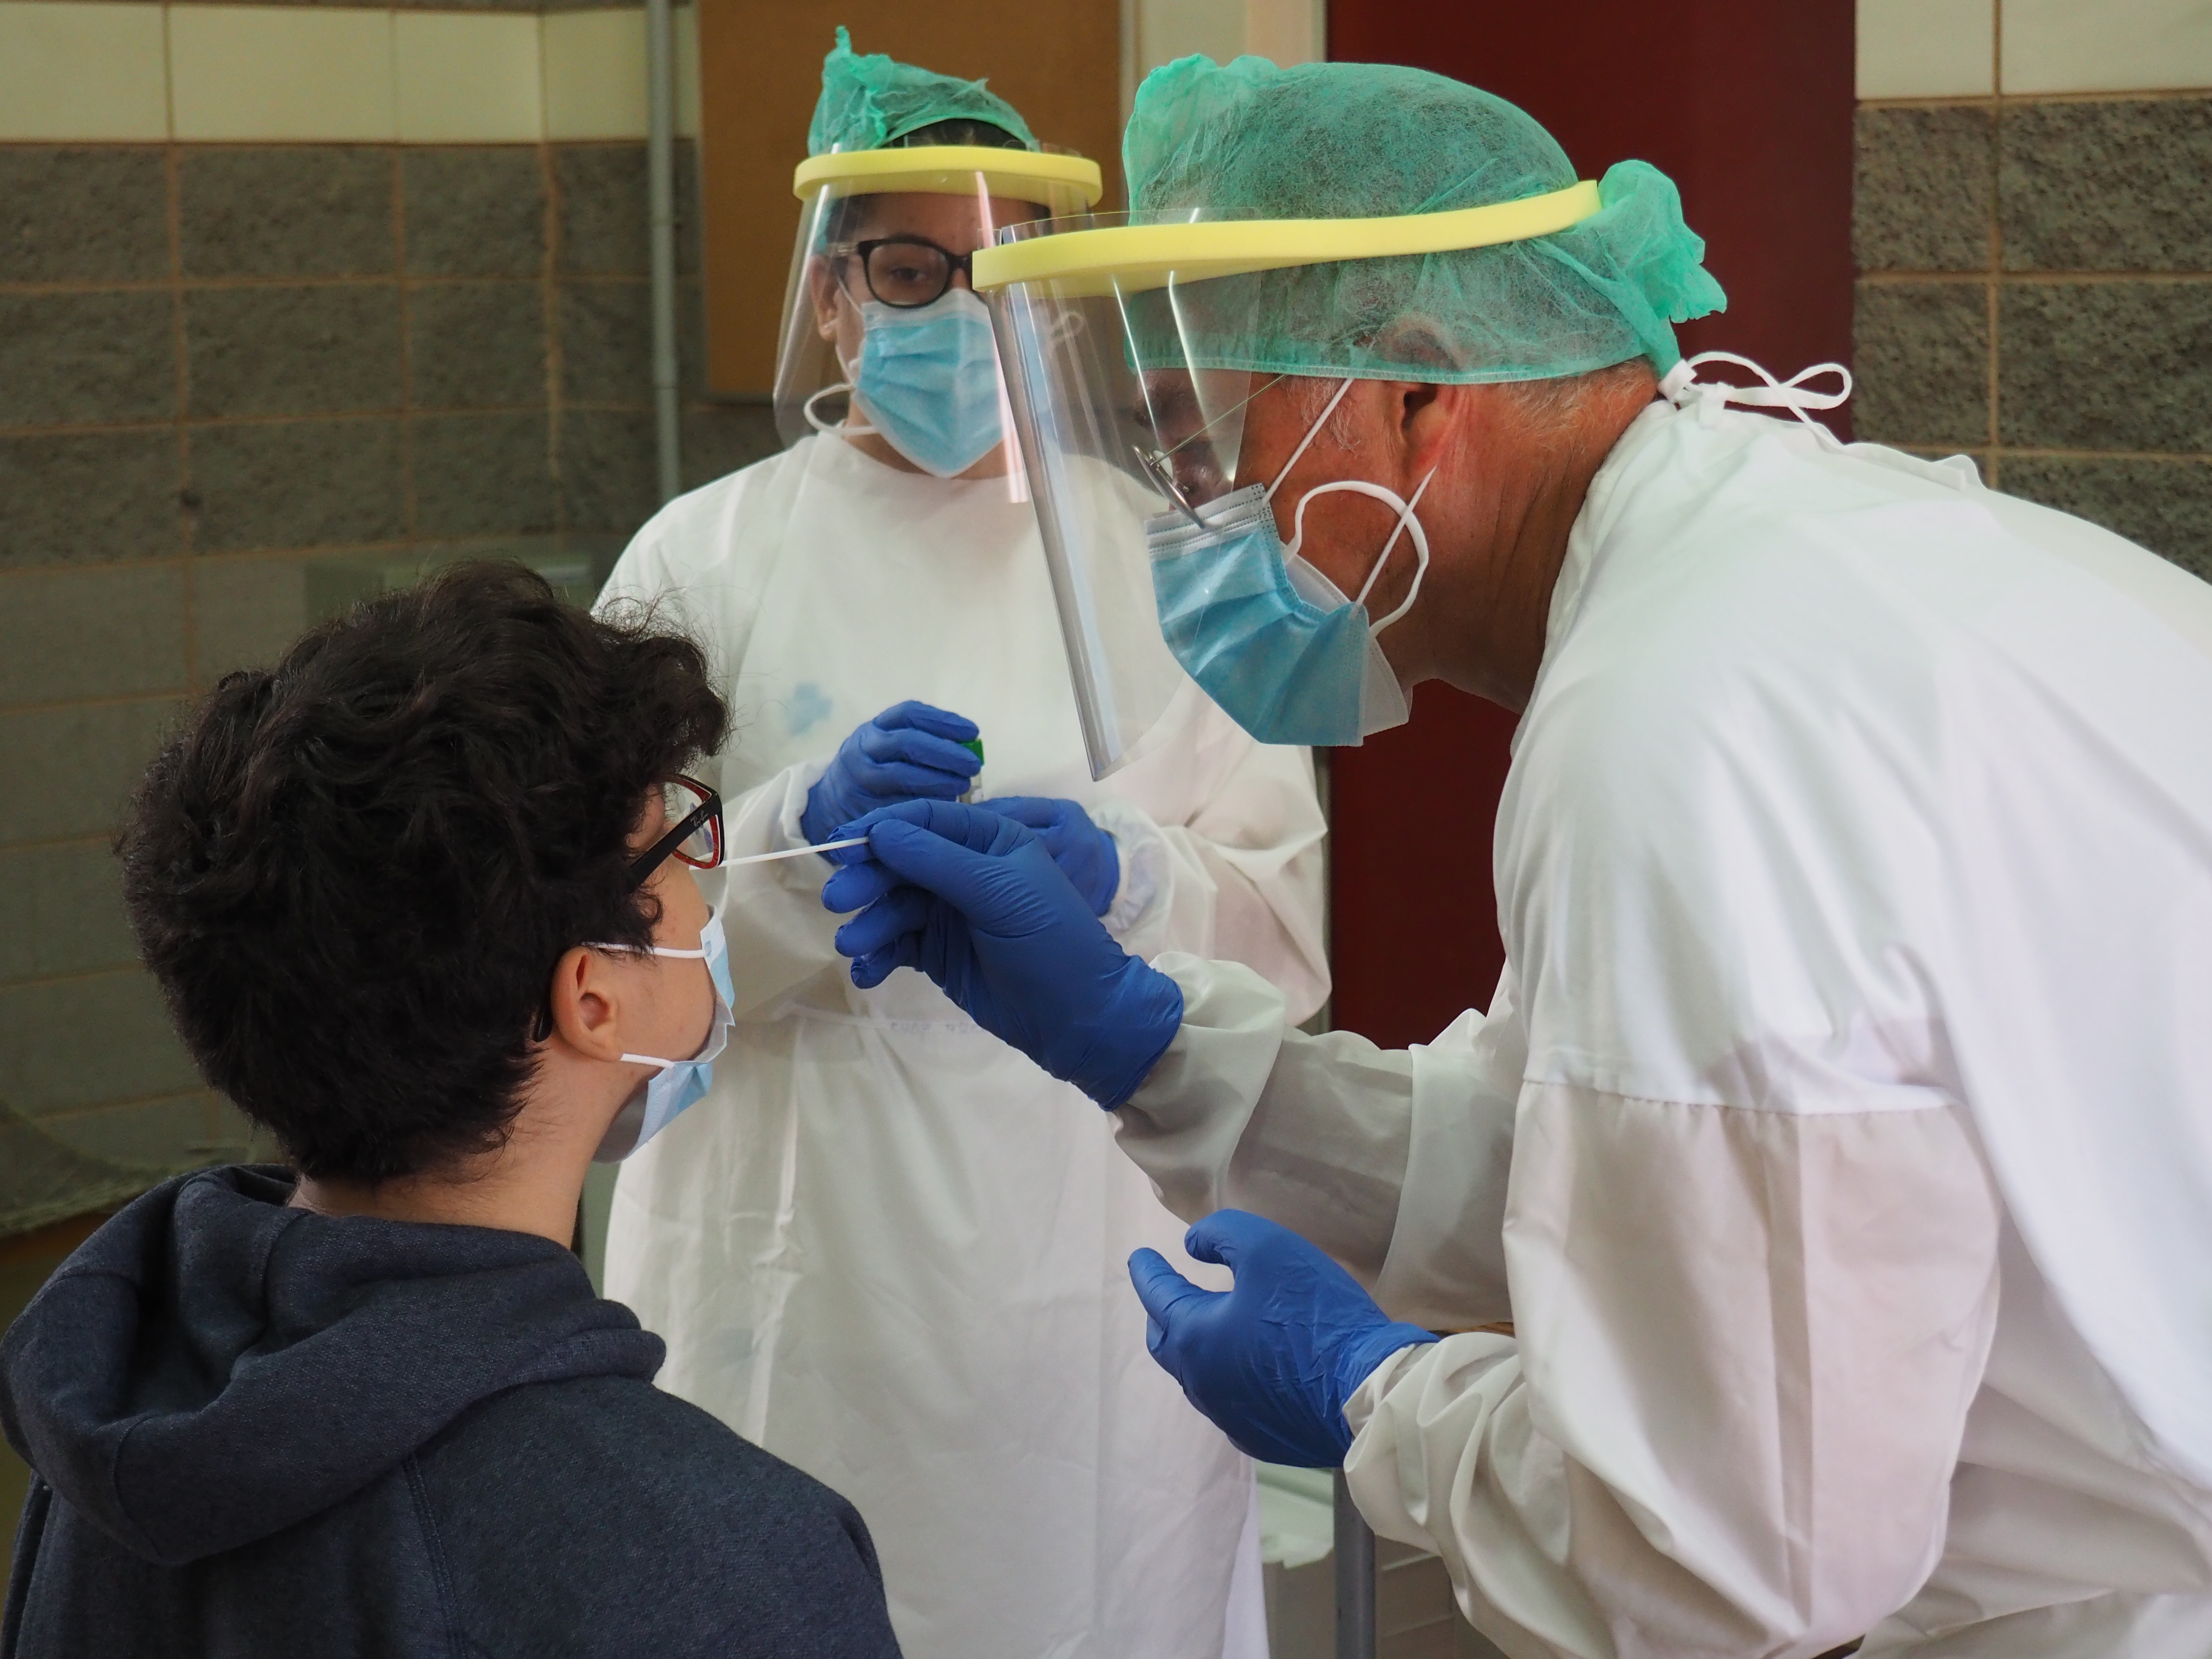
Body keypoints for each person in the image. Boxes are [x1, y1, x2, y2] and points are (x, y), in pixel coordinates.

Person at [818, 53, 2212, 1659]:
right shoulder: (1809, 568)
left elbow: (1729, 1553)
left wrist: (1375, 1395)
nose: (1192, 520)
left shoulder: (1683, 717)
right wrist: (1152, 1040)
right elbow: (1610, 1165)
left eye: (1209, 446)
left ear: (1412, 392)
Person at [594, 33, 1329, 1659]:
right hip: (793, 1255)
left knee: (1092, 1594)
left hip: (1083, 1243)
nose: (954, 311)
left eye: (997, 274)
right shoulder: (700, 563)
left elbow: (1279, 933)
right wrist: (785, 850)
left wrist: (1126, 877)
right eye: (910, 268)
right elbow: (589, 966)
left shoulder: (1152, 565)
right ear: (831, 295)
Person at [0, 564, 901, 1659]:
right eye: (680, 847)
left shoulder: (112, 1420)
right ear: (592, 998)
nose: (711, 897)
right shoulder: (728, 1563)